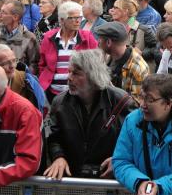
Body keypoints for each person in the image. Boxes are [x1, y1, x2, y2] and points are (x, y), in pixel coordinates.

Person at [43, 49, 137, 181]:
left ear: (93, 76)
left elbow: (136, 139)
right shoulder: (60, 103)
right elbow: (53, 138)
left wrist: (121, 159)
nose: (69, 77)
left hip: (110, 177)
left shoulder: (121, 101)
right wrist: (58, 157)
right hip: (72, 178)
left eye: (76, 73)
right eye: (69, 72)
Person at [112, 73, 172, 195]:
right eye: (141, 97)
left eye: (150, 99)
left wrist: (161, 186)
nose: (142, 104)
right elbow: (121, 161)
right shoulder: (132, 121)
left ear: (168, 103)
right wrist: (140, 183)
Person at [38, 1, 99, 101]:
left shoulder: (87, 37)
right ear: (62, 20)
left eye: (79, 17)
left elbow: (96, 63)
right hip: (52, 93)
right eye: (73, 18)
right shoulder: (49, 37)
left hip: (79, 93)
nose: (78, 21)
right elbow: (42, 64)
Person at [96, 21, 150, 98]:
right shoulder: (107, 56)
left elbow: (137, 103)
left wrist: (113, 91)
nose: (98, 42)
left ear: (108, 42)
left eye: (100, 39)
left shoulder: (137, 68)